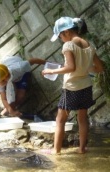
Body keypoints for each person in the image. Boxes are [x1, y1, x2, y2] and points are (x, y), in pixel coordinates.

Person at [41, 17, 104, 154]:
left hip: (71, 88)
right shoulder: (89, 45)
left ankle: (56, 151)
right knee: (82, 119)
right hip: (86, 86)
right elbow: (99, 67)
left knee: (60, 119)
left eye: (60, 36)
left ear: (67, 32)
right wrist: (86, 68)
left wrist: (51, 70)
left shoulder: (68, 45)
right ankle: (82, 148)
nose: (60, 39)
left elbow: (70, 67)